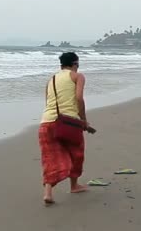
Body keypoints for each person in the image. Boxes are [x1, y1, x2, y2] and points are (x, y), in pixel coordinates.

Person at [39, 52, 89, 205]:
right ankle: (74, 186)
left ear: (61, 65)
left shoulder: (51, 80)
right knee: (77, 153)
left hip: (46, 123)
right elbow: (79, 98)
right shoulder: (77, 76)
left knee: (49, 158)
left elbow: (48, 102)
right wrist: (84, 120)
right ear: (75, 64)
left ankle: (48, 193)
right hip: (69, 123)